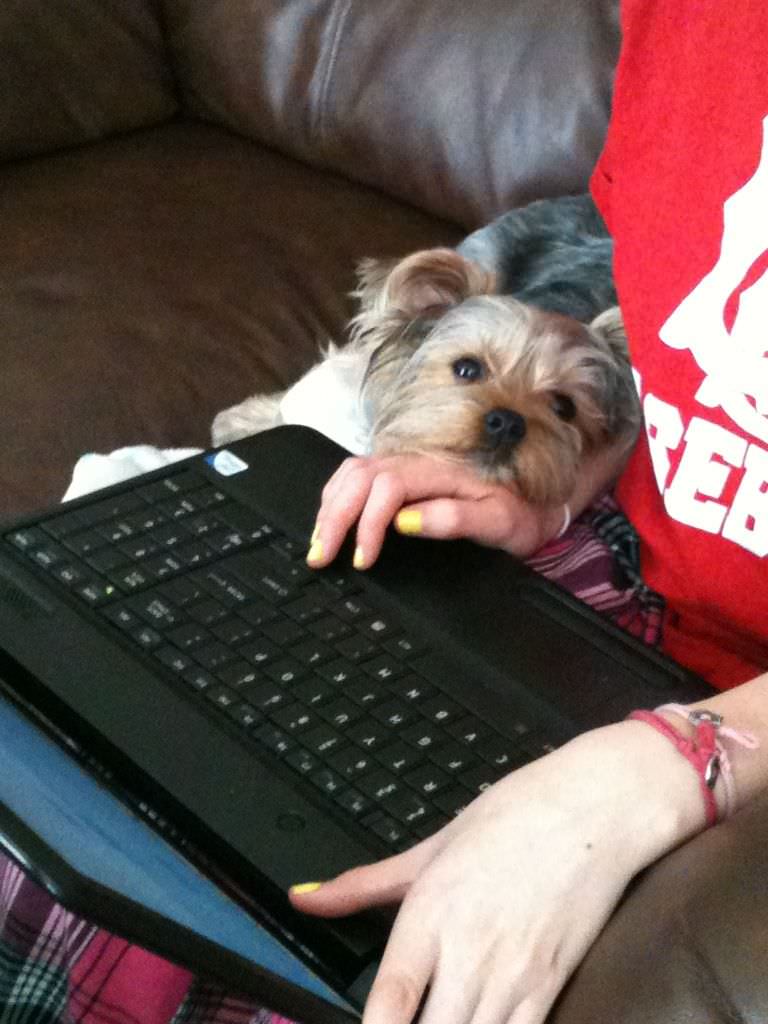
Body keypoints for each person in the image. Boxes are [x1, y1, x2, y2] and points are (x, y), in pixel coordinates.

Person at [1, 1, 767, 1022]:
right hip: (620, 542)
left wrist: (676, 761)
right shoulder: (686, 27)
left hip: (723, 704)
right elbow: (690, 366)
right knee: (99, 758)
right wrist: (568, 480)